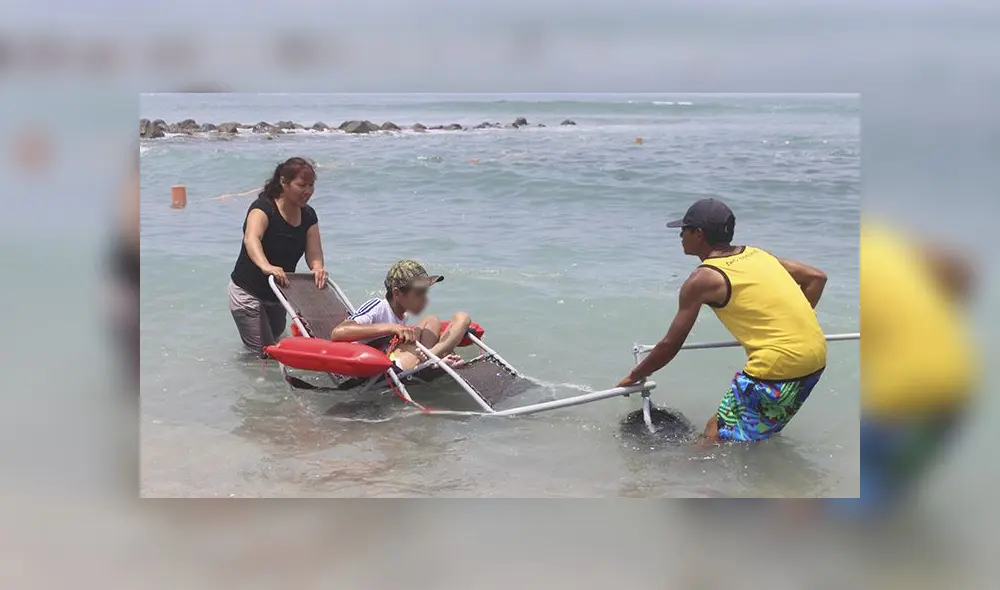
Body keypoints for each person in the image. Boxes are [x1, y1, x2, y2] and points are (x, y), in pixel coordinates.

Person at [617, 198, 829, 444]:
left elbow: (670, 345)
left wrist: (635, 376)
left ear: (698, 234)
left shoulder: (704, 279)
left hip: (777, 366)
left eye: (683, 230)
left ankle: (687, 479)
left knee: (714, 436)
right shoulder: (758, 255)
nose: (680, 236)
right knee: (755, 426)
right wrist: (786, 327)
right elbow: (816, 278)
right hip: (815, 357)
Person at [228, 157, 329, 356]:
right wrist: (266, 266)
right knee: (264, 354)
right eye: (301, 185)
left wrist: (317, 268)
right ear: (284, 182)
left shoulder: (309, 215)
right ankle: (256, 385)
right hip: (247, 292)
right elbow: (251, 239)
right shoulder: (263, 208)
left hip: (278, 294)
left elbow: (314, 252)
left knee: (275, 344)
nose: (307, 191)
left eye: (311, 185)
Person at [330, 260, 472, 371]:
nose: (423, 298)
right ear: (397, 293)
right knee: (418, 341)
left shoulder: (403, 315)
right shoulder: (378, 307)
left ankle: (431, 358)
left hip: (402, 356)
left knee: (439, 319)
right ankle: (433, 360)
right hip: (380, 364)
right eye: (418, 293)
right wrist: (390, 328)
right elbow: (338, 333)